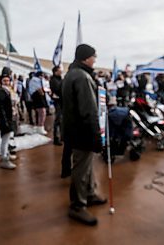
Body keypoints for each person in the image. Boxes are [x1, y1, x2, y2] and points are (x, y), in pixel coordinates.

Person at [62, 44, 107, 226]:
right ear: (86, 57)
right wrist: (96, 135)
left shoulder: (72, 74)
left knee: (86, 165)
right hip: (82, 131)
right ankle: (77, 206)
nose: (95, 60)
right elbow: (89, 110)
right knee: (81, 168)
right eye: (93, 56)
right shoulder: (82, 77)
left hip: (74, 129)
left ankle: (89, 194)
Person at [0, 73, 18, 170]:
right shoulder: (1, 91)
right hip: (5, 119)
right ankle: (4, 159)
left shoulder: (8, 91)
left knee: (9, 138)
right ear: (1, 81)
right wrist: (6, 121)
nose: (7, 82)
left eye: (8, 80)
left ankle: (7, 154)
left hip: (10, 117)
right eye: (4, 80)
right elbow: (2, 108)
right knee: (5, 139)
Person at [50, 66, 63, 146]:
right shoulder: (54, 80)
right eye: (59, 70)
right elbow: (58, 90)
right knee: (58, 120)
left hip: (61, 102)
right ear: (55, 72)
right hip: (58, 102)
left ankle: (61, 136)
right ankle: (56, 138)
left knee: (61, 120)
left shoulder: (59, 79)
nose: (61, 71)